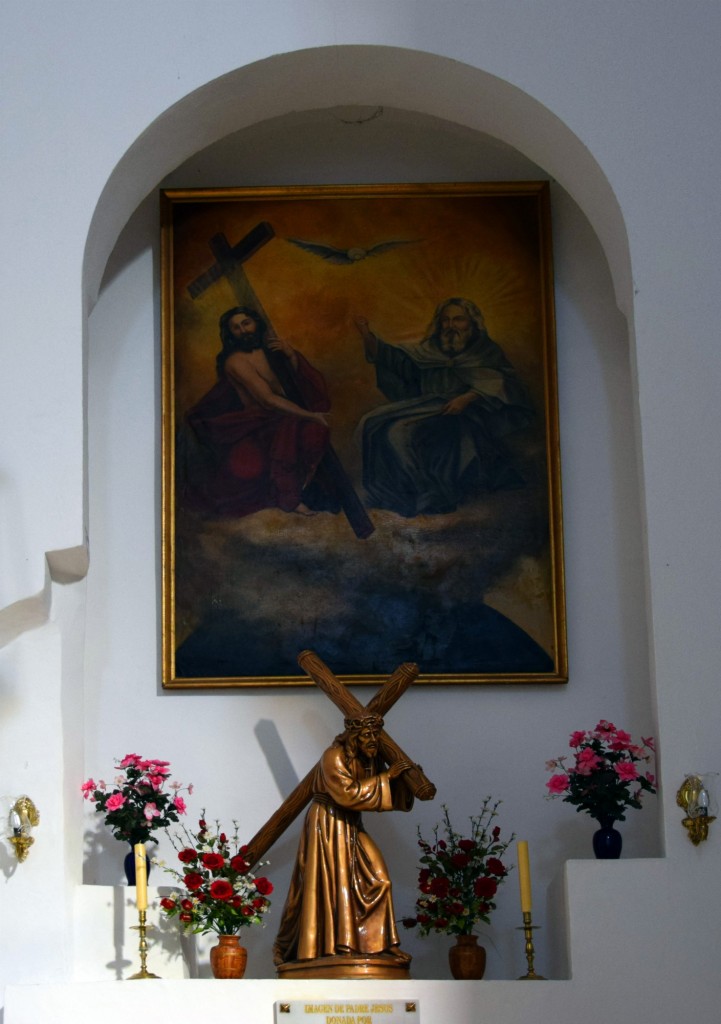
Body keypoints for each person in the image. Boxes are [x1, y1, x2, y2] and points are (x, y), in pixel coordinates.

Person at [354, 298, 533, 516]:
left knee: (397, 433)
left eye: (458, 319)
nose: (451, 326)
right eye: (446, 320)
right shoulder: (430, 349)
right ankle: (399, 492)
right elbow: (397, 362)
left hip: (468, 413)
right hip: (429, 408)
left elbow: (504, 383)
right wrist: (367, 335)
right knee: (376, 425)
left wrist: (466, 398)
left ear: (472, 323)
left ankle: (429, 492)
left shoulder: (486, 351)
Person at [273, 713, 414, 966]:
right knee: (335, 884)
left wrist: (406, 779)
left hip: (351, 823)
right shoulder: (333, 756)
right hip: (327, 821)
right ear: (353, 736)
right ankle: (335, 946)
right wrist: (387, 778)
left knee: (380, 879)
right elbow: (346, 794)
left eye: (375, 735)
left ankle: (382, 944)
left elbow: (386, 795)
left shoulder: (370, 759)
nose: (372, 740)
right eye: (367, 735)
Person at [178, 306, 334, 518]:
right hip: (259, 423)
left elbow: (293, 385)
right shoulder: (235, 362)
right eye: (236, 328)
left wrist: (291, 357)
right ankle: (290, 499)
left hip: (285, 414)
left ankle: (301, 492)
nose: (243, 331)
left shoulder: (271, 351)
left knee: (314, 434)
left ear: (256, 323)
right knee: (302, 430)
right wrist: (309, 415)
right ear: (230, 333)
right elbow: (267, 399)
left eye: (246, 323)